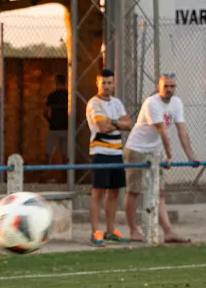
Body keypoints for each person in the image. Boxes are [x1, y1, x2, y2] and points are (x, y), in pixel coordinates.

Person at [122, 74, 199, 243]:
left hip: (155, 151)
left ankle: (169, 231)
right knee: (133, 191)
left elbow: (181, 130)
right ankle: (133, 230)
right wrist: (170, 156)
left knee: (160, 192)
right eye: (166, 86)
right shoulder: (152, 103)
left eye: (172, 86)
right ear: (159, 86)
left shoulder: (177, 103)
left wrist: (191, 156)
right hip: (137, 149)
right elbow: (162, 130)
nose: (169, 90)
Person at [85, 69, 132, 247]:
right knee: (98, 192)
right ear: (97, 83)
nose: (106, 86)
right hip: (100, 152)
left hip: (116, 152)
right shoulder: (93, 103)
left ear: (114, 84)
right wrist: (117, 123)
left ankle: (110, 231)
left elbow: (128, 124)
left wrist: (112, 122)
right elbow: (101, 126)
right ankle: (95, 232)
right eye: (103, 83)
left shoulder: (117, 103)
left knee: (114, 192)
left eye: (109, 83)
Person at [44, 74, 68, 167]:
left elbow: (45, 112)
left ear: (56, 82)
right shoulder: (68, 95)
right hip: (66, 127)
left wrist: (50, 121)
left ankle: (47, 174)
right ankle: (67, 176)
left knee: (49, 153)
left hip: (53, 128)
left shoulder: (52, 95)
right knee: (66, 155)